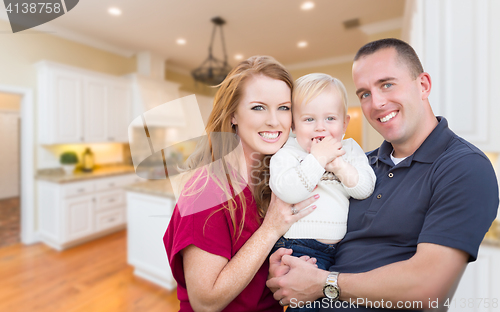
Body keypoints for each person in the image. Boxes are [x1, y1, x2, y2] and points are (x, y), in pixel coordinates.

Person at [266, 38, 499, 311]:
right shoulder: (359, 165)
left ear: (423, 85)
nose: (376, 102)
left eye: (387, 84)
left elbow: (428, 289)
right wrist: (287, 266)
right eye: (364, 93)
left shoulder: (464, 167)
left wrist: (323, 283)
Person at [163, 55, 319, 312]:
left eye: (283, 107)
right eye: (258, 107)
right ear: (233, 114)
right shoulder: (206, 191)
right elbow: (205, 301)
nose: (274, 121)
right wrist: (270, 230)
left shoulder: (279, 181)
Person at [268, 73, 376, 311]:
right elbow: (288, 191)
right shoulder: (288, 153)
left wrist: (337, 164)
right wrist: (317, 159)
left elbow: (365, 189)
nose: (320, 127)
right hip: (299, 248)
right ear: (293, 125)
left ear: (344, 123)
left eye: (330, 118)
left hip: (342, 251)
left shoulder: (348, 150)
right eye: (309, 119)